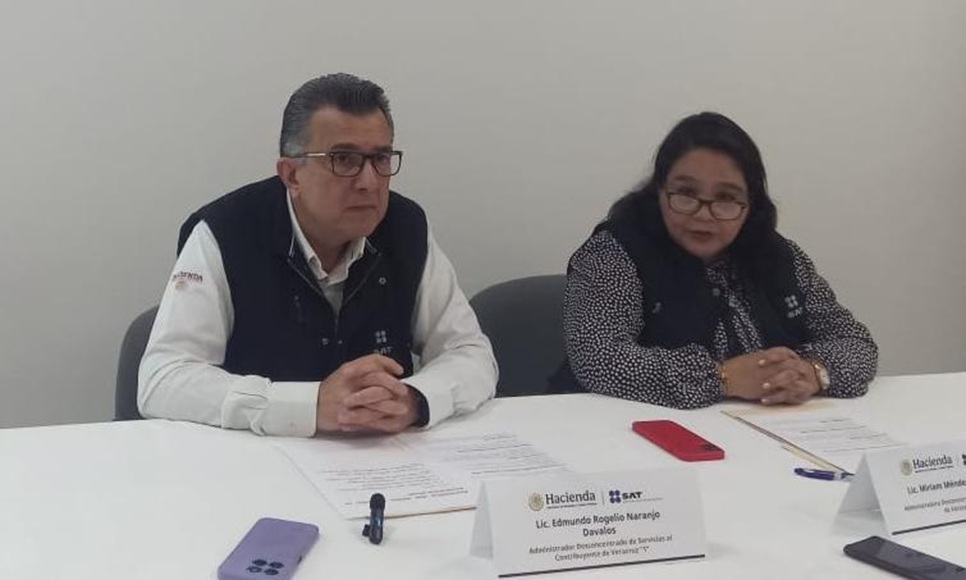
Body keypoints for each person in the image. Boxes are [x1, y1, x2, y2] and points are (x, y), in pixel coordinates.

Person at [139, 73, 497, 436]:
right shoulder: (225, 233)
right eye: (344, 159)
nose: (369, 182)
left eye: (380, 158)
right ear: (292, 174)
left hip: (382, 457)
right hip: (254, 457)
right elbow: (162, 379)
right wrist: (307, 406)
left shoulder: (405, 227)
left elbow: (470, 352)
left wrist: (415, 399)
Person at [555, 112, 877, 408]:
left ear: (750, 206)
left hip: (763, 429)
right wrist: (723, 378)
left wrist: (812, 371)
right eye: (686, 194)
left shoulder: (781, 257)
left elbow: (857, 343)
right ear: (659, 193)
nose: (703, 215)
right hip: (623, 430)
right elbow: (599, 360)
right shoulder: (614, 253)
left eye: (726, 198)